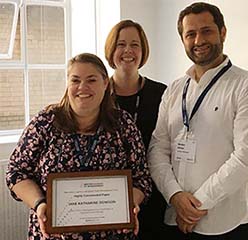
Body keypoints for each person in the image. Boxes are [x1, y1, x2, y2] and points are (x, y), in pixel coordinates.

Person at [148, 2, 248, 240]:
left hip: (228, 222)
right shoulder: (175, 89)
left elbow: (246, 159)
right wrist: (175, 196)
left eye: (206, 31)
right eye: (190, 34)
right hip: (176, 218)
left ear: (222, 32)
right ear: (183, 39)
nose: (198, 41)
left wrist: (196, 206)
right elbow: (158, 149)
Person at [6, 53, 152, 240]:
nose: (83, 87)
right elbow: (16, 173)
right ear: (68, 83)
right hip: (54, 235)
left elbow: (142, 178)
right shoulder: (45, 122)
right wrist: (40, 204)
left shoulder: (123, 124)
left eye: (91, 80)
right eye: (75, 80)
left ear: (105, 83)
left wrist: (127, 207)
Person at [104, 20, 167, 240]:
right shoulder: (97, 94)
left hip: (152, 194)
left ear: (143, 51)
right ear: (111, 50)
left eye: (135, 45)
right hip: (106, 197)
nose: (128, 51)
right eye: (121, 44)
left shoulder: (162, 94)